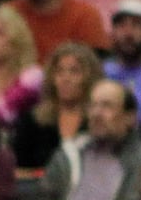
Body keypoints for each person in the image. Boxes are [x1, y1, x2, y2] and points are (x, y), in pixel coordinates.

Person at [13, 42, 103, 173]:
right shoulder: (32, 120)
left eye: (74, 71)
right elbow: (20, 169)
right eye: (59, 71)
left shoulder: (98, 120)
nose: (65, 78)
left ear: (89, 78)